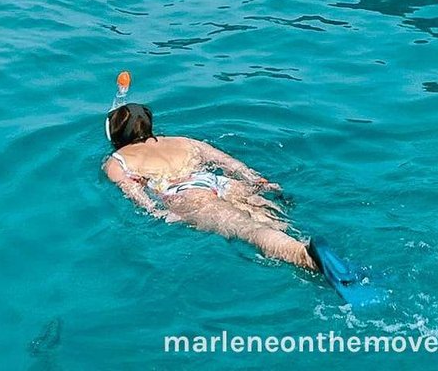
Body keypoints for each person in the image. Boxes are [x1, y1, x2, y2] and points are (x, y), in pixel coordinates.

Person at [102, 102, 318, 271]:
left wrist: (157, 212)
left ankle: (302, 256)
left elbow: (133, 192)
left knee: (248, 230)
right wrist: (256, 179)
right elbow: (229, 163)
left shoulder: (116, 161)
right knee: (274, 223)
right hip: (225, 183)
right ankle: (306, 250)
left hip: (188, 194)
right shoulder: (184, 141)